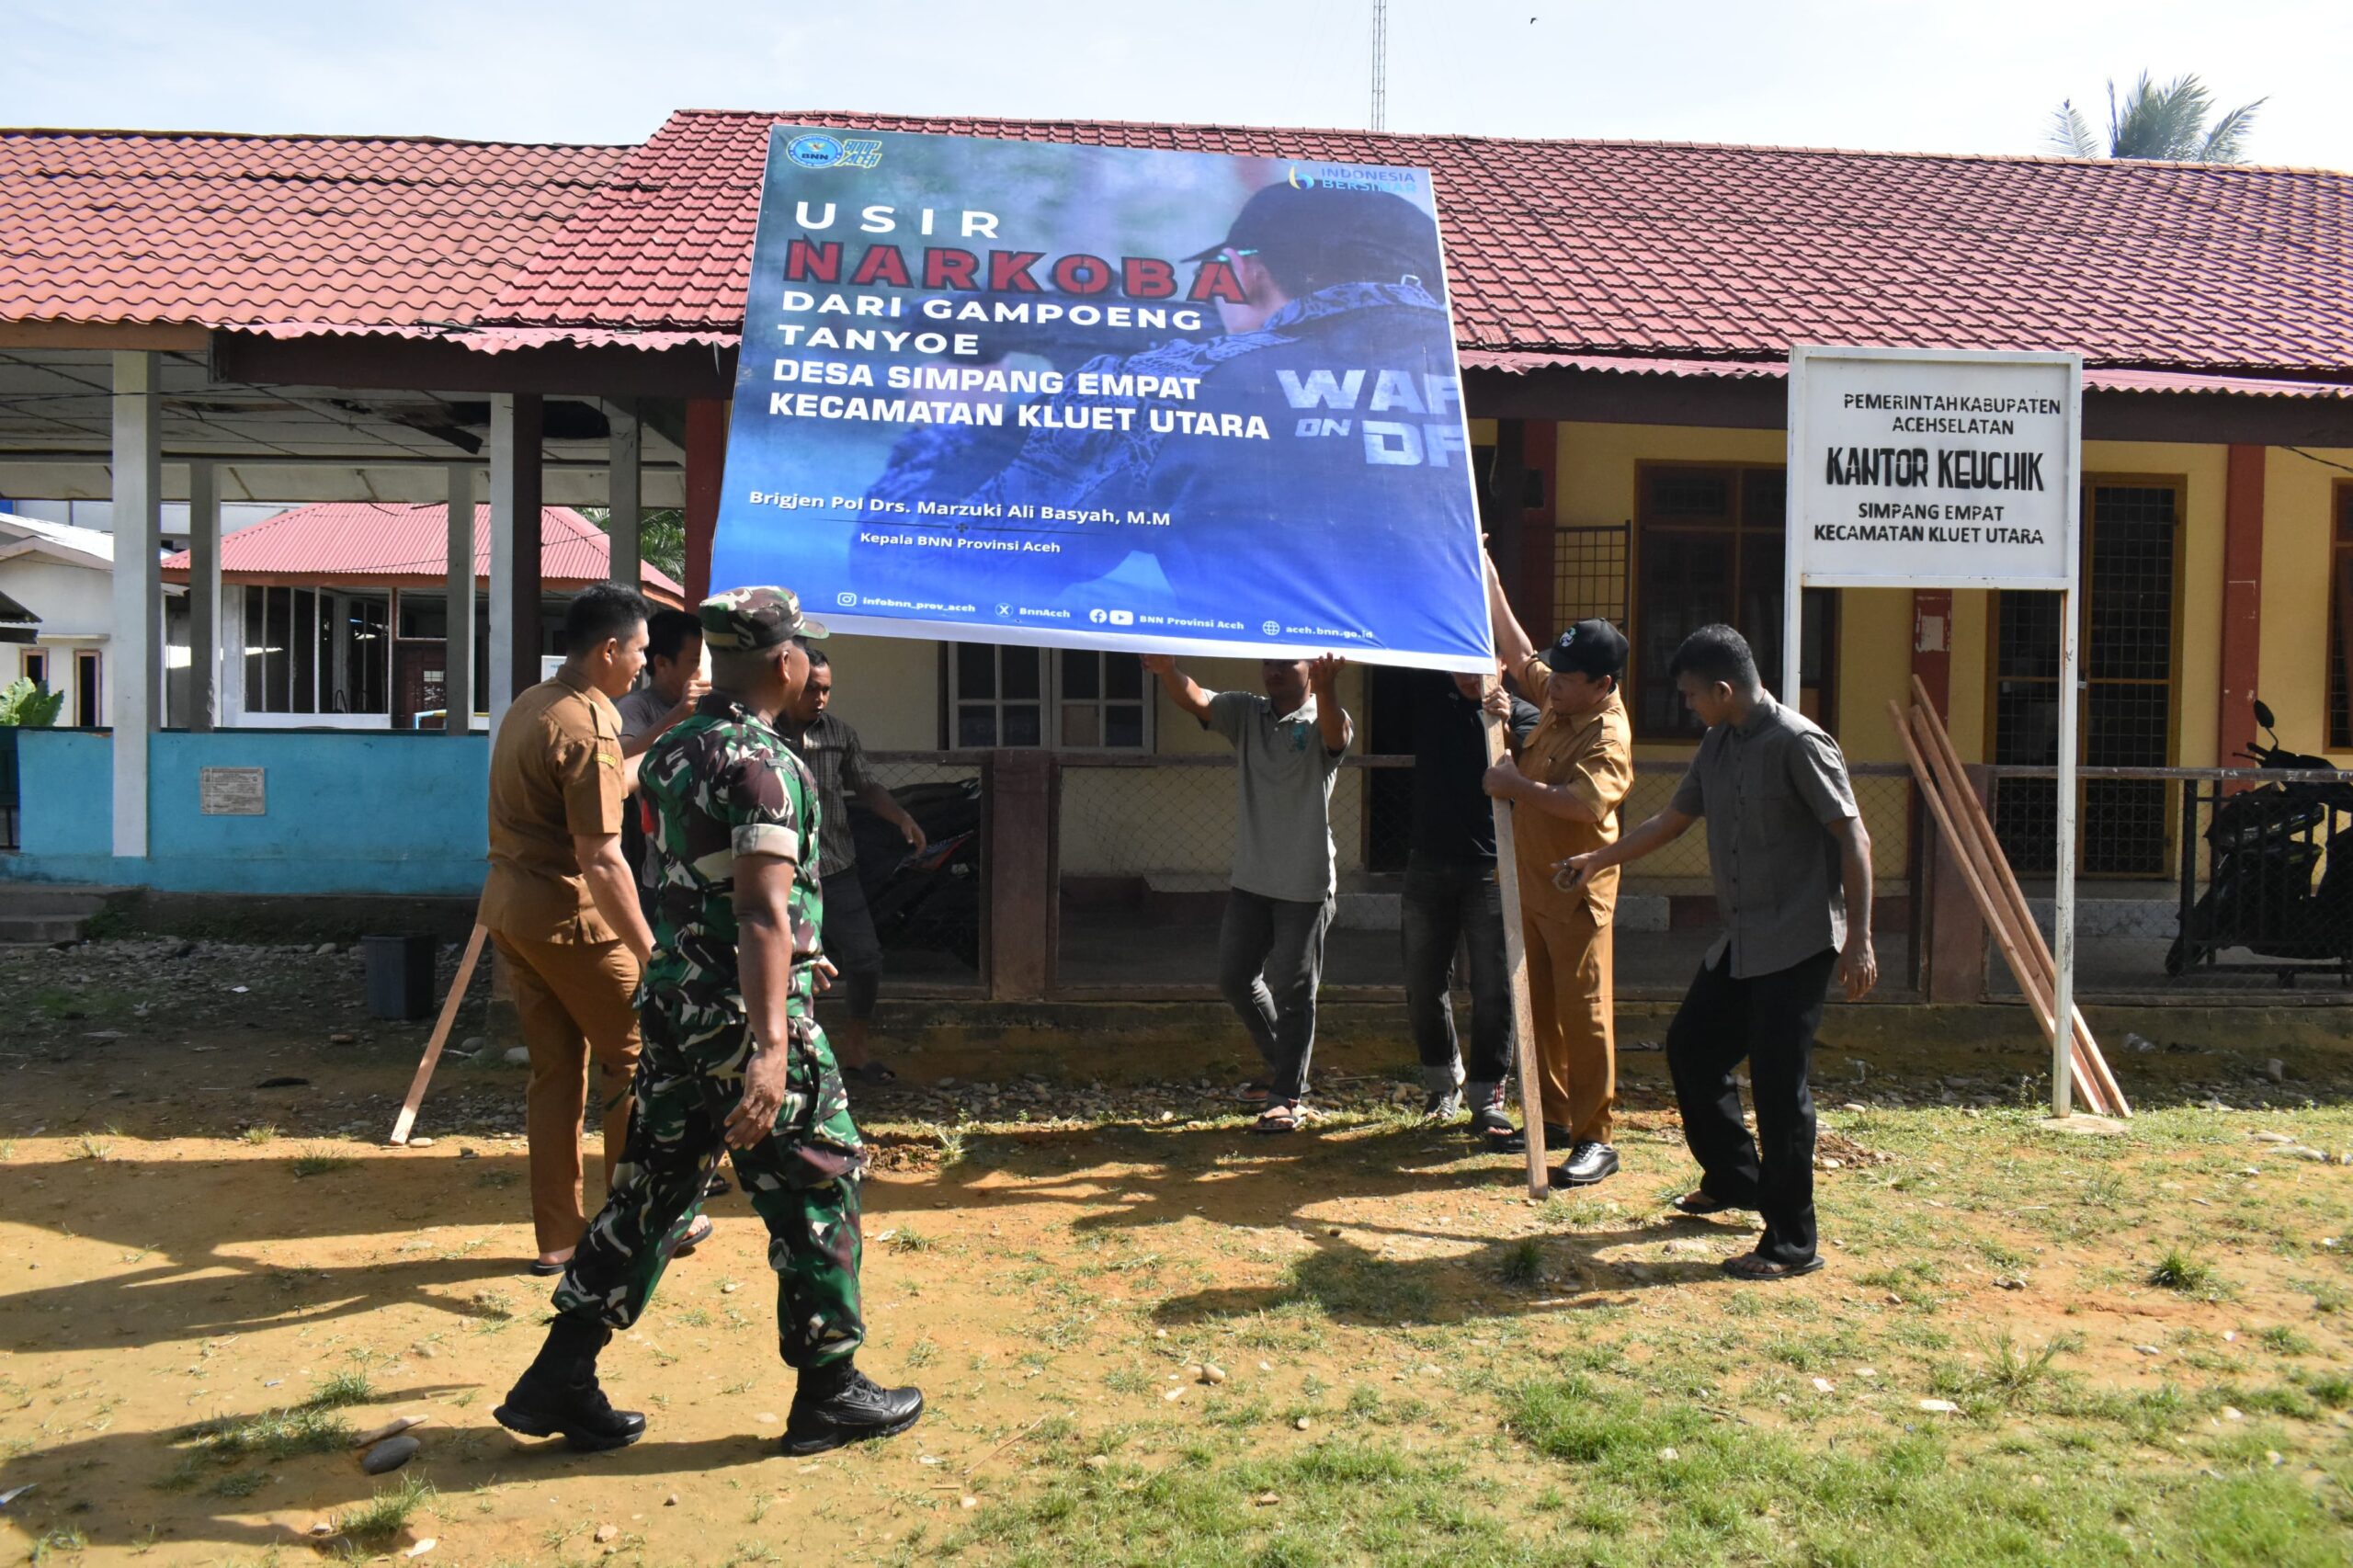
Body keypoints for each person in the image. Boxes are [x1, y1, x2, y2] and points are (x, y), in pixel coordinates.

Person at [495, 586, 923, 1456]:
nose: (808, 662)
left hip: (678, 1006)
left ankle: (560, 1374)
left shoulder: (673, 751)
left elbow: (707, 889)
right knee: (817, 1180)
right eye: (804, 650)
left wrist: (799, 946)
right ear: (784, 661)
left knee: (651, 1190)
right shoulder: (764, 764)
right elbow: (761, 913)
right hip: (741, 1020)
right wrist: (772, 1045)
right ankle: (830, 1390)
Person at [852, 182, 1481, 658]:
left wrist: (950, 428)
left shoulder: (1166, 385)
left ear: (1246, 270)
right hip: (1452, 673)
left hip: (1264, 682)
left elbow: (914, 574)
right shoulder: (1462, 370)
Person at [1560, 624, 1877, 1279]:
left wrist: (1862, 940)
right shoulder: (1718, 745)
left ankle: (1792, 1242)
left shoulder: (1799, 743)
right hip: (1742, 941)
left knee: (1779, 1088)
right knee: (1693, 1049)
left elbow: (1855, 838)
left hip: (1799, 941)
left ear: (1725, 689)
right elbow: (1668, 821)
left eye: (1692, 696)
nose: (1688, 707)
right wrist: (1598, 858)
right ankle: (1736, 1179)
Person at [481, 583, 709, 1274]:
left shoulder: (537, 704)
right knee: (637, 1061)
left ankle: (559, 1236)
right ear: (611, 648)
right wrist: (651, 950)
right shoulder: (584, 725)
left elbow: (610, 781)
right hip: (572, 921)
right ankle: (640, 1225)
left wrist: (670, 730)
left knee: (555, 1076)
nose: (643, 665)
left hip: (513, 915)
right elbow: (603, 858)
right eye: (640, 651)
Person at [1142, 653, 1351, 1133]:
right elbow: (1195, 698)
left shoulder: (1324, 716)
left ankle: (1286, 1096)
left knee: (1297, 989)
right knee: (1235, 978)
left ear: (1309, 669)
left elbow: (1337, 737)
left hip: (1306, 883)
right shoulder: (1246, 712)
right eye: (1267, 663)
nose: (1274, 671)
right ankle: (1286, 1068)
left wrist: (1328, 687)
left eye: (1287, 664)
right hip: (1253, 879)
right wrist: (1166, 670)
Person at [1477, 564, 1636, 1186]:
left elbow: (1585, 803)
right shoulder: (1561, 694)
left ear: (1601, 685)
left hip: (1577, 893)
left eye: (1566, 681)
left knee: (1585, 1014)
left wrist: (1517, 785)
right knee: (1538, 1009)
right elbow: (1517, 651)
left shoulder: (1608, 734)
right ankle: (1554, 1119)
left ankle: (1597, 1138)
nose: (1553, 688)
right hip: (1533, 885)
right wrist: (1488, 570)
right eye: (1557, 675)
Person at [776, 642, 928, 1083]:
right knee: (785, 965)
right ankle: (784, 1058)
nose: (819, 698)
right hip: (780, 872)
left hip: (835, 868)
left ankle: (856, 1050)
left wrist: (901, 817)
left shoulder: (839, 734)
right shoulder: (761, 732)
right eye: (811, 689)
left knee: (864, 960)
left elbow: (865, 785)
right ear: (790, 684)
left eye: (826, 690)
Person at [1399, 665, 1539, 1124]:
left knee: (1494, 987)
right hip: (1427, 864)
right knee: (1423, 983)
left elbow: (1533, 773)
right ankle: (1443, 1086)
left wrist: (1499, 726)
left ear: (1501, 664)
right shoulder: (1429, 697)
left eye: (1479, 662)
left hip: (1492, 870)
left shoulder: (1523, 717)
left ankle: (1487, 1096)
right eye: (1458, 662)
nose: (1468, 674)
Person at [615, 608, 708, 756]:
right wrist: (680, 712)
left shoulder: (709, 704)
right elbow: (622, 757)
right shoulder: (635, 707)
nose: (704, 667)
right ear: (662, 663)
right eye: (696, 660)